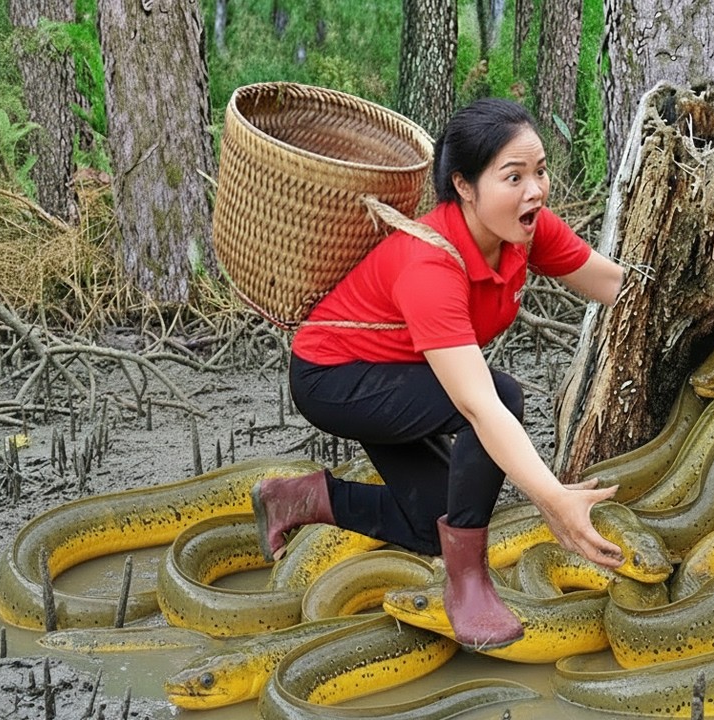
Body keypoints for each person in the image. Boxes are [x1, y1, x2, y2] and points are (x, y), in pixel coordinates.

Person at [249, 98, 625, 650]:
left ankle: (297, 499)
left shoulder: (524, 230)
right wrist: (553, 498)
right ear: (465, 187)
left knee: (432, 525)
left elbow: (614, 286)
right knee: (500, 395)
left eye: (540, 172)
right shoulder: (431, 265)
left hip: (402, 371)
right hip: (335, 378)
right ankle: (468, 582)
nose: (536, 190)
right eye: (513, 176)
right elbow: (477, 406)